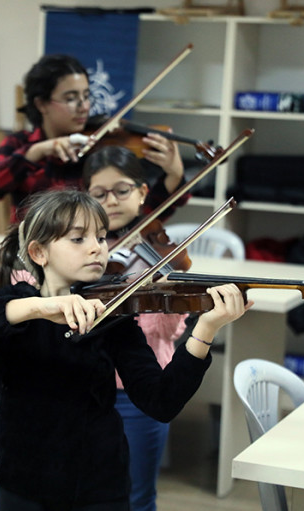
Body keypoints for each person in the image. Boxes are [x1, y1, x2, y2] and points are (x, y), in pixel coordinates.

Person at [0, 190, 252, 510]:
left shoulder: (111, 316)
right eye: (78, 239)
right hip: (24, 481)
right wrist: (38, 307)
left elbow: (161, 402)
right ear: (39, 252)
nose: (97, 247)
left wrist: (205, 329)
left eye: (102, 237)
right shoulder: (16, 305)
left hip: (99, 485)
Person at [82, 145, 191, 511]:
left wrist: (158, 291)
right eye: (99, 194)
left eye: (122, 190)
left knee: (135, 496)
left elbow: (162, 334)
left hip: (136, 392)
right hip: (80, 387)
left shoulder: (157, 252)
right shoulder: (78, 250)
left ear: (144, 193)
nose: (110, 201)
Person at [0, 54, 189, 223]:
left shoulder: (100, 149)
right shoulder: (20, 144)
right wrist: (36, 152)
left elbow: (138, 216)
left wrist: (174, 174)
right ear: (41, 104)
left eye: (86, 96)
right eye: (71, 98)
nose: (84, 107)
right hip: (32, 261)